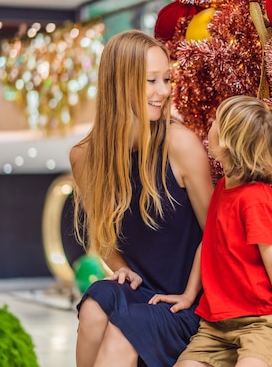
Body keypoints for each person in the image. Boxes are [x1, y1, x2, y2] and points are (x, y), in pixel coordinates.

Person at [69, 30, 214, 367]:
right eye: (151, 81)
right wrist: (121, 269)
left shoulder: (181, 145)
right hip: (142, 292)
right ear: (120, 84)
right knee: (93, 306)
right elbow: (102, 236)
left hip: (187, 301)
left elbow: (217, 233)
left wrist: (190, 293)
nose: (163, 91)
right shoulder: (85, 157)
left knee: (125, 329)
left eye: (166, 79)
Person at [173, 95, 272, 367]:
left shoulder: (255, 200)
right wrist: (189, 295)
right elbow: (207, 245)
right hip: (215, 326)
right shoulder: (223, 188)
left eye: (215, 122)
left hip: (258, 322)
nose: (209, 125)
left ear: (226, 142)